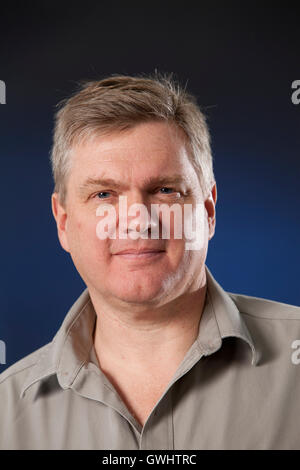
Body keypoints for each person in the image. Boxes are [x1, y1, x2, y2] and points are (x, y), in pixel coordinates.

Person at [0, 72, 299, 450]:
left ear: (207, 210)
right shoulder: (7, 414)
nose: (137, 219)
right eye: (104, 194)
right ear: (63, 222)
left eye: (164, 190)